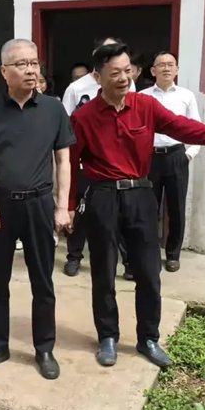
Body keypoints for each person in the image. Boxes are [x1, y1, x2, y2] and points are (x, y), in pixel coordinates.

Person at [68, 43, 205, 369]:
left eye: (127, 71)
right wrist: (69, 205)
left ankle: (148, 338)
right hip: (102, 197)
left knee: (148, 271)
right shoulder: (83, 117)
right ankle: (108, 337)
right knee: (103, 272)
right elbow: (71, 164)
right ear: (98, 78)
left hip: (141, 196)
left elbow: (183, 127)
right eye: (115, 73)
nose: (123, 78)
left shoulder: (146, 106)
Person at [0, 38, 75, 380]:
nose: (30, 70)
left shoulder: (54, 109)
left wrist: (62, 207)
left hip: (39, 205)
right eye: (21, 64)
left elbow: (64, 161)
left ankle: (44, 349)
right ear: (4, 71)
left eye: (34, 63)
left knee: (43, 281)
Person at [62, 37, 134, 280]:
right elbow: (65, 124)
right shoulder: (76, 88)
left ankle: (129, 262)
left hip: (116, 166)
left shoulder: (127, 84)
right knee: (81, 213)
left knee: (121, 216)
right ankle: (74, 257)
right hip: (86, 164)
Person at [140, 51, 200, 272]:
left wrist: (189, 154)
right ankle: (149, 254)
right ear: (153, 70)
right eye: (161, 65)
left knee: (176, 208)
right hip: (150, 158)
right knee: (148, 209)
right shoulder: (143, 97)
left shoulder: (186, 96)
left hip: (176, 156)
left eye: (170, 64)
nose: (166, 68)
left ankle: (173, 255)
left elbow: (196, 128)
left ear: (177, 70)